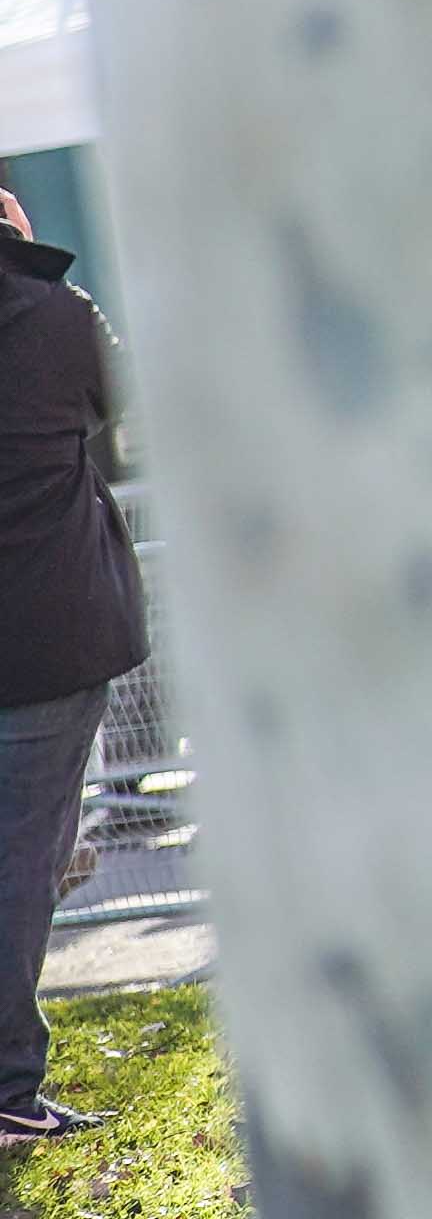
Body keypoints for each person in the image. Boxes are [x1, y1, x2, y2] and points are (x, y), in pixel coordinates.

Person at [0, 187, 145, 1142]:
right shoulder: (56, 317)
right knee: (23, 863)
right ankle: (8, 1086)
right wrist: (25, 259)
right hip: (47, 639)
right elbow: (117, 396)